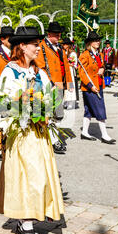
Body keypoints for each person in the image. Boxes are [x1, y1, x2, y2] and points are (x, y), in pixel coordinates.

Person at [0, 26, 65, 234]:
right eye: (35, 44)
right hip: (21, 133)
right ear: (22, 46)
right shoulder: (10, 71)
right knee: (25, 177)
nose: (38, 48)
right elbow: (3, 104)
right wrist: (23, 104)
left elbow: (50, 99)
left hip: (39, 132)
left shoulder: (40, 72)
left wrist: (46, 110)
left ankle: (36, 213)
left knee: (40, 175)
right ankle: (26, 223)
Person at [35, 22, 74, 154]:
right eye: (56, 34)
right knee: (49, 114)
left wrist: (69, 83)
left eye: (60, 34)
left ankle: (53, 137)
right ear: (49, 34)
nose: (59, 36)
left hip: (60, 84)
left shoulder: (60, 48)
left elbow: (66, 67)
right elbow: (40, 68)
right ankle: (53, 140)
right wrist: (48, 83)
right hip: (49, 85)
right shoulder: (41, 47)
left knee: (58, 113)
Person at [78, 31, 116, 144]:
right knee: (100, 109)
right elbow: (82, 73)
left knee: (88, 110)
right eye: (95, 40)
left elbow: (102, 65)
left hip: (99, 84)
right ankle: (104, 135)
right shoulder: (84, 55)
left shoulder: (99, 54)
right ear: (90, 43)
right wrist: (90, 86)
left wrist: (102, 69)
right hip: (90, 87)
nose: (98, 42)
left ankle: (84, 132)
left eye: (98, 40)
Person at [61, 37, 78, 109]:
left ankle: (71, 102)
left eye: (65, 44)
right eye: (63, 44)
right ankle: (66, 101)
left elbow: (74, 63)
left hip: (70, 71)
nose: (64, 45)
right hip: (65, 71)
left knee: (71, 86)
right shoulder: (63, 52)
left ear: (68, 45)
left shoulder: (73, 53)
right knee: (65, 86)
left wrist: (68, 64)